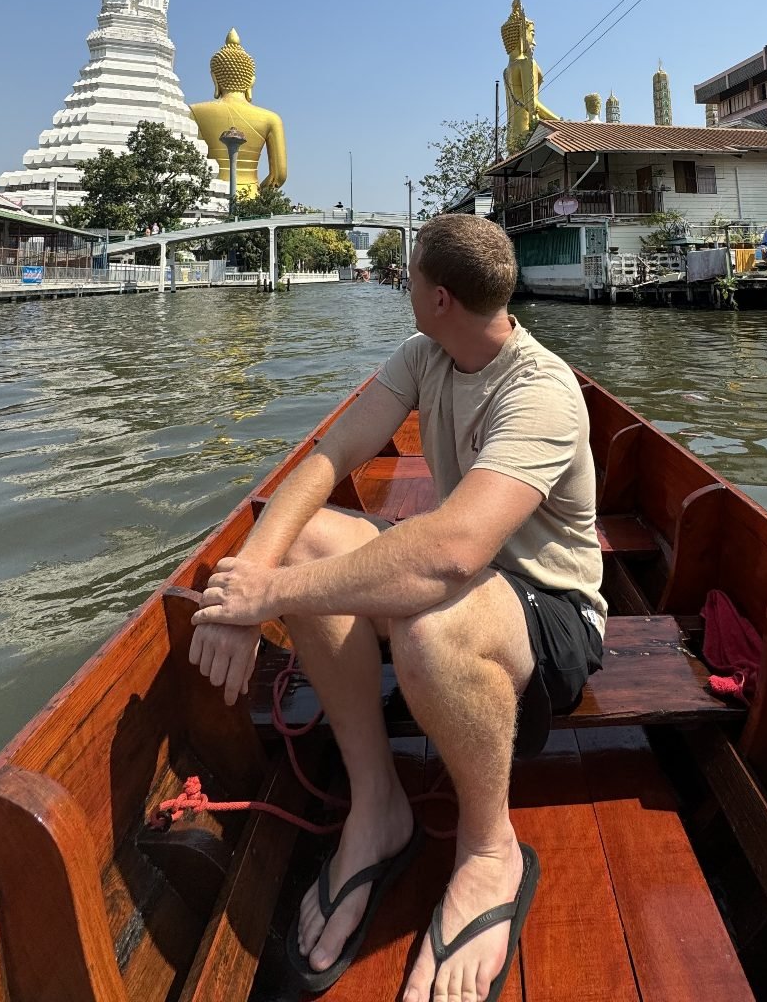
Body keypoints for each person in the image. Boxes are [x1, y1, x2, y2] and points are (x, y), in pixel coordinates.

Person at [189, 213, 604, 1002]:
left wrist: (265, 597)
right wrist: (254, 576)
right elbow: (332, 455)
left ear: (439, 296)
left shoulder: (542, 391)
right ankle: (376, 807)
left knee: (430, 621)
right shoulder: (427, 353)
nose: (402, 284)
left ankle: (489, 853)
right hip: (461, 580)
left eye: (408, 275)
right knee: (309, 540)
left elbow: (452, 551)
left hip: (548, 611)